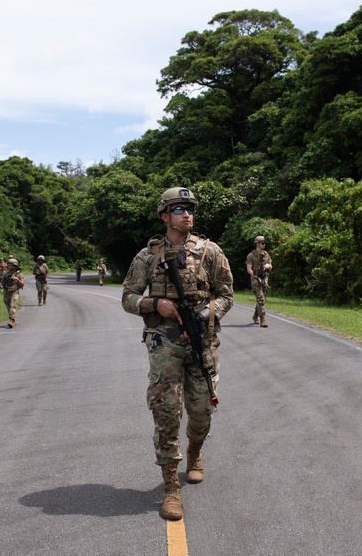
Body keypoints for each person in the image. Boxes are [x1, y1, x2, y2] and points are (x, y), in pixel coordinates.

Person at [121, 187, 234, 520]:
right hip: (163, 342)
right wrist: (156, 304)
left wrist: (205, 314)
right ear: (164, 216)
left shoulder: (211, 252)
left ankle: (195, 451)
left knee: (201, 410)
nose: (187, 213)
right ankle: (170, 487)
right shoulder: (147, 257)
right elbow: (128, 296)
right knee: (167, 411)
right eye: (179, 208)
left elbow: (227, 295)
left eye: (190, 208)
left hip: (201, 341)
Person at [245, 235, 273, 327]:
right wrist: (256, 276)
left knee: (262, 299)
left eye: (264, 243)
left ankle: (255, 316)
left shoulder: (266, 254)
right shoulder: (251, 256)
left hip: (265, 278)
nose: (264, 245)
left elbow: (271, 265)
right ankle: (263, 319)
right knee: (260, 298)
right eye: (262, 243)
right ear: (257, 244)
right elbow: (249, 269)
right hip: (255, 279)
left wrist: (268, 266)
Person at [0, 258, 26, 328]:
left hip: (14, 292)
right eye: (8, 265)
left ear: (14, 266)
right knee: (8, 306)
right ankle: (13, 319)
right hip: (6, 292)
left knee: (12, 306)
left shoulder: (19, 274)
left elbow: (23, 284)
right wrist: (1, 286)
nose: (8, 266)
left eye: (9, 265)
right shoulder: (6, 274)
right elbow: (3, 283)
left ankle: (11, 320)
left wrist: (17, 279)